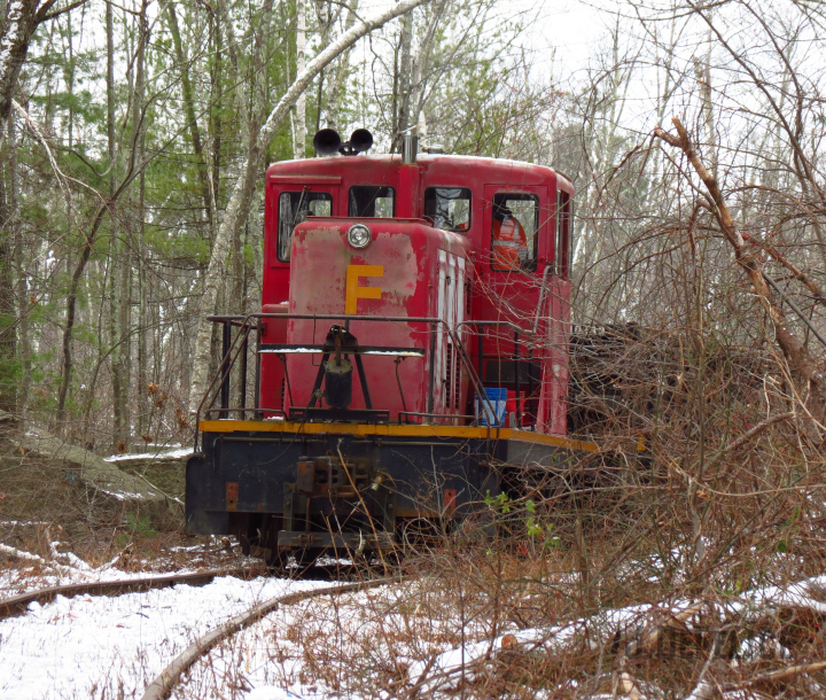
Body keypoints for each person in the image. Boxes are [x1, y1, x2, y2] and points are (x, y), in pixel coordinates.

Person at [492, 204, 528, 270]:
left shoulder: (488, 223)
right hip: (512, 271)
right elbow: (524, 253)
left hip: (492, 271)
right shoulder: (516, 224)